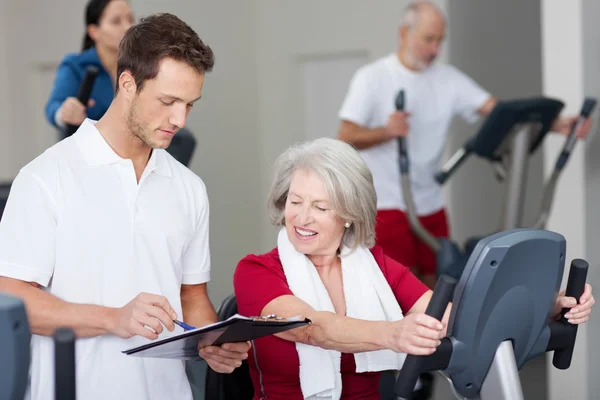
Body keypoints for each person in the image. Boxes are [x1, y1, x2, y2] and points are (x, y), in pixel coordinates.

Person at [0, 13, 250, 400]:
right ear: (128, 84)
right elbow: (11, 299)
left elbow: (191, 296)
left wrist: (213, 342)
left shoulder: (189, 187)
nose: (179, 119)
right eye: (168, 101)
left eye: (189, 104)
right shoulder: (45, 177)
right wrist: (113, 318)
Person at [233, 137, 595, 400]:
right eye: (295, 201)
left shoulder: (374, 267)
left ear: (348, 215)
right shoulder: (256, 271)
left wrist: (549, 306)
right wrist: (393, 334)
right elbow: (311, 330)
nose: (302, 217)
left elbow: (457, 319)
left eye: (321, 207)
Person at [337, 1, 591, 290]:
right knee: (396, 288)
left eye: (440, 40)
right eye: (428, 39)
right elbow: (344, 135)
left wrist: (559, 124)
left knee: (437, 286)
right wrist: (386, 131)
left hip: (430, 202)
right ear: (404, 34)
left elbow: (498, 112)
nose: (435, 49)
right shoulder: (373, 78)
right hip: (386, 203)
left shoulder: (448, 79)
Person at [44, 0, 134, 134]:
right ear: (94, 31)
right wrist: (64, 112)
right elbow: (53, 106)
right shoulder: (75, 65)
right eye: (116, 21)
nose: (128, 27)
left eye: (130, 19)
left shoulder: (141, 65)